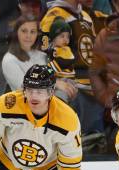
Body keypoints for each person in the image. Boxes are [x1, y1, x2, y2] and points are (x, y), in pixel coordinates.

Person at [41, 0, 103, 137]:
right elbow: (44, 57)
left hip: (92, 87)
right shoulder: (54, 14)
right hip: (72, 89)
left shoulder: (85, 15)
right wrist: (55, 81)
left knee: (93, 139)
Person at [2, 15, 47, 92]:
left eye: (32, 32)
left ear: (37, 34)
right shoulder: (9, 60)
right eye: (24, 31)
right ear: (16, 33)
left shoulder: (43, 56)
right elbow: (27, 88)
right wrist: (55, 84)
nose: (28, 36)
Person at [46, 17, 78, 103]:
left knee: (61, 96)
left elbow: (67, 62)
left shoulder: (66, 49)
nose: (65, 40)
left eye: (67, 37)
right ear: (53, 38)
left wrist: (49, 68)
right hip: (57, 78)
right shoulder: (53, 49)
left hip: (67, 79)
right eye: (62, 36)